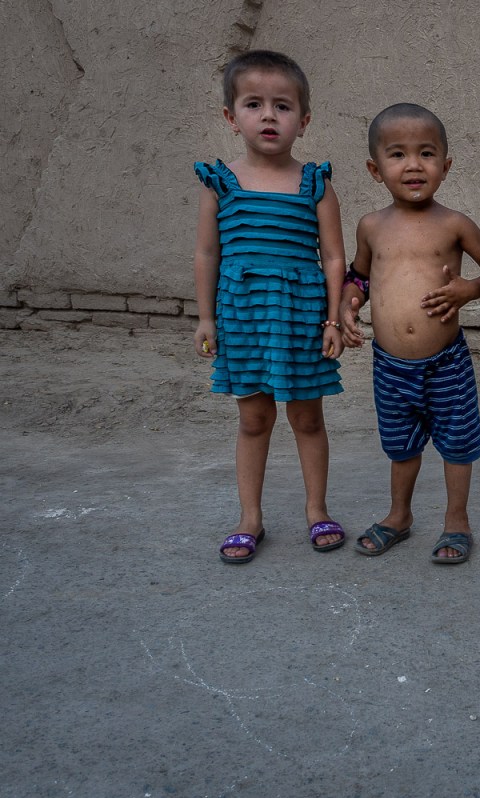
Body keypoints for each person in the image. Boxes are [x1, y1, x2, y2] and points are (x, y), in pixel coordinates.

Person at [193, 50, 347, 564]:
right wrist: (206, 318)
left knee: (307, 418)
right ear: (230, 116)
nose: (268, 116)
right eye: (254, 104)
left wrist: (333, 320)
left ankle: (316, 509)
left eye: (282, 106)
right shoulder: (220, 183)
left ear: (303, 120)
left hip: (301, 318)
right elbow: (207, 253)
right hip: (244, 318)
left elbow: (333, 257)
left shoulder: (316, 184)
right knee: (254, 419)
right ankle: (249, 518)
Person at [339, 103, 480, 564]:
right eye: (398, 154)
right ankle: (399, 515)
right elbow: (359, 276)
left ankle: (457, 520)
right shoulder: (371, 226)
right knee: (400, 445)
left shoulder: (455, 224)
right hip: (390, 365)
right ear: (375, 169)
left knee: (457, 443)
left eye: (426, 153)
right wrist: (348, 303)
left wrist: (469, 290)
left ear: (446, 165)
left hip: (446, 362)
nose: (413, 165)